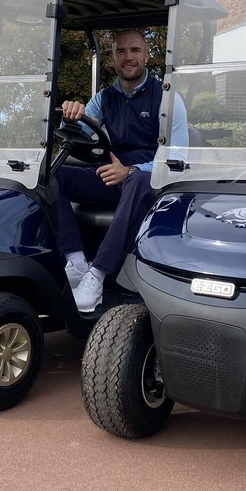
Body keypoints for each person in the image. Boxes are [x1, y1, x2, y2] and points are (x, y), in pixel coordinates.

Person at [56, 28, 187, 313]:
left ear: (147, 55)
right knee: (53, 175)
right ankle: (77, 262)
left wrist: (130, 170)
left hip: (151, 185)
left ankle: (98, 274)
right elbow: (80, 130)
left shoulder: (167, 98)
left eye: (135, 50)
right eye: (121, 51)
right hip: (115, 179)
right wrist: (71, 114)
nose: (128, 57)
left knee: (138, 179)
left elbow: (177, 158)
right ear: (113, 58)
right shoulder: (104, 99)